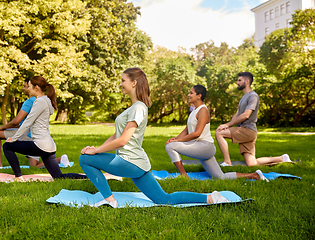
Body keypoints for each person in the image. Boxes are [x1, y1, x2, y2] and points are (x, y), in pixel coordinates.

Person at [79, 67, 233, 208]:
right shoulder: (134, 107)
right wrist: (96, 149)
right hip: (137, 163)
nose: (120, 84)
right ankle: (210, 198)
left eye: (123, 80)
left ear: (134, 83)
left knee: (84, 159)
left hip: (130, 161)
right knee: (164, 199)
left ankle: (109, 200)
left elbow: (122, 141)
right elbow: (116, 135)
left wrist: (95, 152)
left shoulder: (138, 107)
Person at [165, 85, 269, 181]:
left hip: (205, 147)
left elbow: (197, 133)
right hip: (199, 146)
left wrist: (177, 141)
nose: (188, 95)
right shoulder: (194, 111)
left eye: (191, 93)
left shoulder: (203, 110)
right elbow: (187, 130)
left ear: (199, 96)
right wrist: (175, 138)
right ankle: (255, 175)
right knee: (220, 177)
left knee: (170, 147)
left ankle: (184, 176)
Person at [3, 76, 84, 181]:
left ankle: (18, 177)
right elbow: (31, 125)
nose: (28, 89)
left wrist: (13, 139)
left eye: (30, 86)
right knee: (59, 177)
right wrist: (18, 138)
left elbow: (27, 123)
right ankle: (88, 178)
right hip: (48, 146)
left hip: (40, 145)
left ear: (36, 87)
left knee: (7, 146)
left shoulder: (40, 101)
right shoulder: (47, 100)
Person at [215, 72, 293, 167]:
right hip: (245, 130)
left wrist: (227, 125)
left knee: (219, 133)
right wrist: (228, 125)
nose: (237, 82)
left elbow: (246, 115)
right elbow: (237, 114)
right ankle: (282, 158)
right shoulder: (243, 97)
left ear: (247, 81)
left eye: (239, 80)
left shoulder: (253, 96)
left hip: (247, 130)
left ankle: (227, 162)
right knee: (252, 163)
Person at [0, 79, 70, 169]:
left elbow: (20, 123)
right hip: (44, 141)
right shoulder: (46, 100)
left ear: (36, 88)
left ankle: (3, 167)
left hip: (34, 139)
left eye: (27, 86)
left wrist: (13, 137)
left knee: (5, 144)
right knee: (35, 168)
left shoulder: (35, 102)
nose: (26, 89)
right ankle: (60, 159)